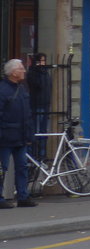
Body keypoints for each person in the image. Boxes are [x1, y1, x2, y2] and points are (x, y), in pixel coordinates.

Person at [0, 58, 37, 207]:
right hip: (5, 136)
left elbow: (27, 114)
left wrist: (29, 134)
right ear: (13, 73)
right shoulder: (3, 90)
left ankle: (23, 196)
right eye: (21, 69)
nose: (24, 71)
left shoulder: (22, 88)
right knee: (3, 168)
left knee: (22, 167)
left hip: (20, 136)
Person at [27, 53, 51, 160]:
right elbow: (37, 85)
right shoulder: (32, 73)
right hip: (36, 105)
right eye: (40, 61)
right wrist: (38, 71)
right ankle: (34, 155)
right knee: (36, 132)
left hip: (45, 105)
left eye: (44, 61)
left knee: (43, 131)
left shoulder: (46, 73)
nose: (42, 63)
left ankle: (42, 154)